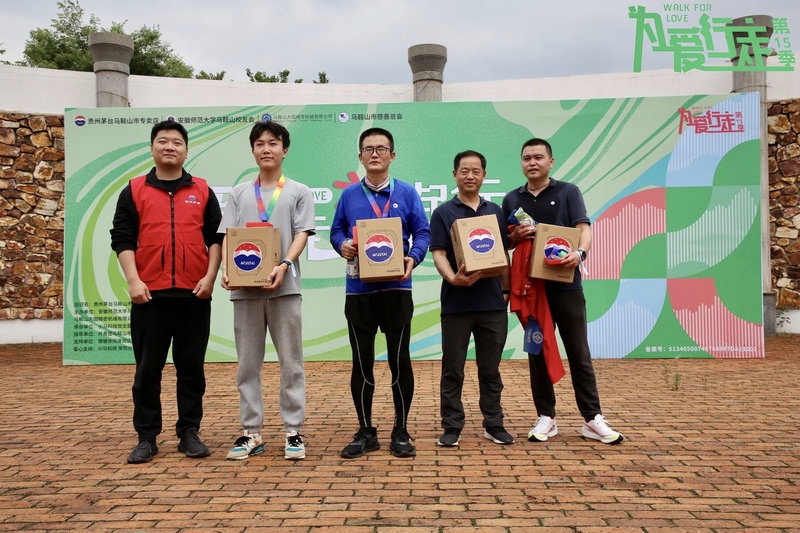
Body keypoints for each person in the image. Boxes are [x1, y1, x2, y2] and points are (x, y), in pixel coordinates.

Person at [110, 120, 223, 464]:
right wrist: (133, 281)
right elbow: (122, 238)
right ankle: (146, 437)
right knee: (147, 370)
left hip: (194, 294)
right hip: (149, 295)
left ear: (186, 150)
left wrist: (210, 277)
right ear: (152, 148)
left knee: (191, 368)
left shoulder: (202, 190)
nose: (169, 146)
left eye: (176, 142)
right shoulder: (134, 190)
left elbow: (216, 238)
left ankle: (189, 432)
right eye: (162, 141)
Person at [501, 138, 624, 445]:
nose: (532, 162)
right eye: (527, 158)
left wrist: (580, 254)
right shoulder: (511, 199)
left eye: (538, 157)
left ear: (551, 161)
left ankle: (592, 418)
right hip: (530, 291)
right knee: (537, 352)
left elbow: (583, 229)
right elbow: (505, 243)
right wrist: (516, 236)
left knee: (579, 352)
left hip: (566, 285)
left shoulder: (568, 192)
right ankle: (546, 417)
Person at [330, 127, 431, 459]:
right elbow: (336, 231)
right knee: (362, 363)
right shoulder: (349, 195)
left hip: (396, 288)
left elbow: (423, 232)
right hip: (359, 291)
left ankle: (400, 430)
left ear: (392, 155)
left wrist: (413, 257)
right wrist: (343, 245)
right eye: (368, 149)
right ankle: (365, 431)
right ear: (360, 157)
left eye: (381, 149)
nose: (375, 154)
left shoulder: (407, 193)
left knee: (399, 361)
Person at [218, 121, 316, 461]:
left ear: (284, 150)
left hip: (285, 288)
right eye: (259, 143)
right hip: (245, 291)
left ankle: (293, 430)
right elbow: (228, 235)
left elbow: (302, 233)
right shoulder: (239, 193)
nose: (266, 149)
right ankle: (251, 432)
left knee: (291, 362)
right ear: (253, 151)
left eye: (273, 143)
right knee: (247, 365)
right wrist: (227, 269)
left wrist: (285, 264)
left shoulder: (299, 191)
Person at [429, 150, 514, 447]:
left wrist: (506, 292)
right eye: (464, 170)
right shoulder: (443, 212)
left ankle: (494, 423)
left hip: (492, 304)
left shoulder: (495, 212)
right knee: (453, 368)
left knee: (491, 369)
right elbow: (439, 253)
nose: (470, 176)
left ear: (484, 175)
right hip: (457, 303)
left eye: (476, 171)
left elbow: (502, 254)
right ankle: (452, 425)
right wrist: (453, 278)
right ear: (455, 175)